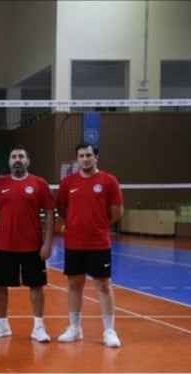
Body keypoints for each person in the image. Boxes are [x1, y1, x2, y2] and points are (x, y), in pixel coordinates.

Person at [0, 145, 55, 342]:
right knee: (0, 285)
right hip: (5, 245)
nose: (17, 160)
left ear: (28, 161)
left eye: (21, 156)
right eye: (13, 157)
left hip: (33, 246)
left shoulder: (39, 184)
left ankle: (39, 326)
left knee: (36, 285)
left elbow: (50, 213)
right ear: (9, 161)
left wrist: (48, 242)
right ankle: (3, 324)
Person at [55, 142, 123, 348]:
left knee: (103, 285)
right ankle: (75, 328)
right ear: (77, 159)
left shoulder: (108, 181)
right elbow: (63, 208)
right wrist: (76, 222)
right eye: (81, 156)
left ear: (96, 157)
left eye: (88, 155)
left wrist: (99, 224)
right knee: (74, 285)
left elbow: (117, 210)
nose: (85, 159)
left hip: (99, 242)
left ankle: (109, 330)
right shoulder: (68, 183)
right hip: (74, 241)